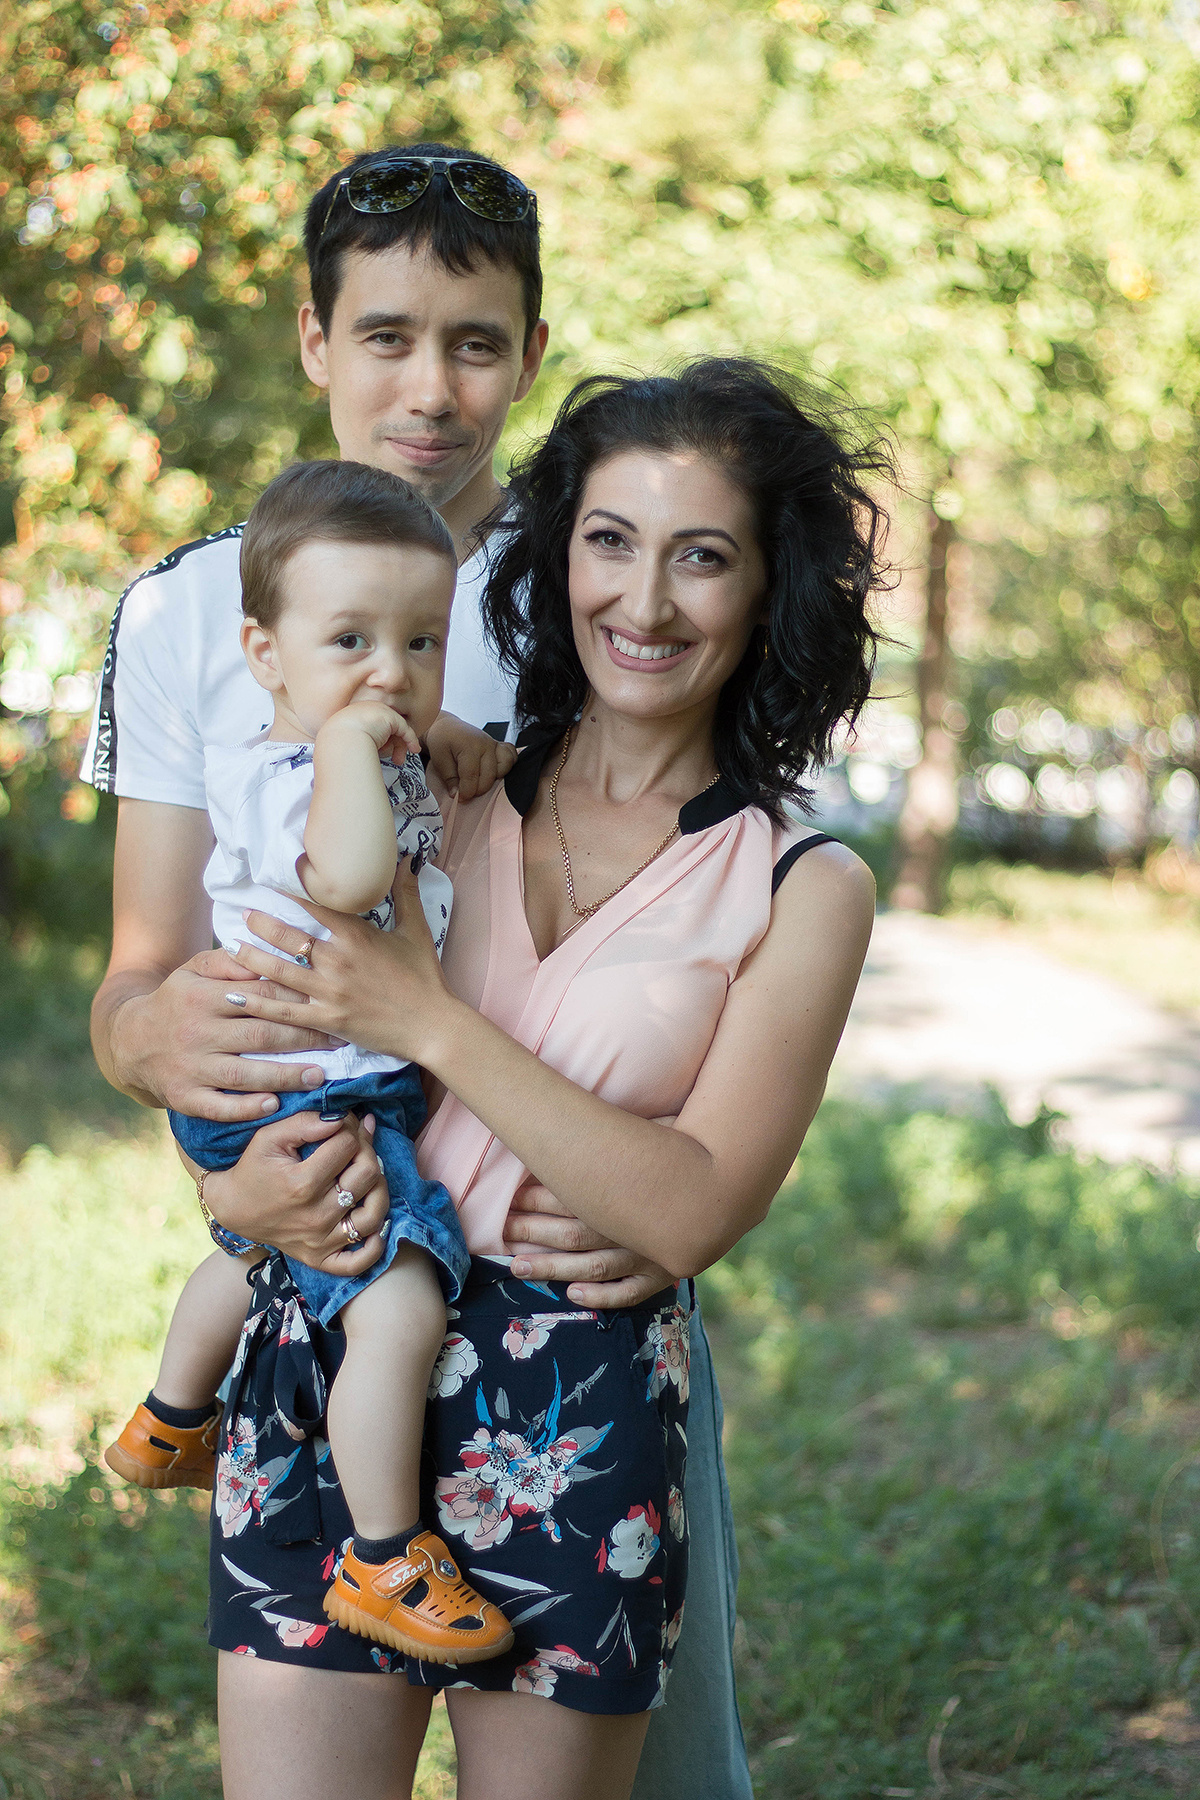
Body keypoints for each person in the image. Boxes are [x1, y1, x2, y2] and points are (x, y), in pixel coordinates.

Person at [83, 143, 759, 1800]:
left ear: (532, 352)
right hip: (328, 1262)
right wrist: (178, 1077)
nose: (430, 387)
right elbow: (135, 989)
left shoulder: (607, 591)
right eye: (384, 333)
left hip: (569, 1291)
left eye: (475, 341)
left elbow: (720, 924)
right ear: (312, 339)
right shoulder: (190, 614)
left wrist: (669, 1189)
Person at [181, 357, 885, 1799]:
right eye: (610, 542)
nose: (644, 601)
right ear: (559, 555)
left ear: (769, 591)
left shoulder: (800, 883)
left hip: (572, 1418)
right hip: (323, 1359)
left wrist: (434, 1024)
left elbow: (688, 1208)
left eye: (703, 557)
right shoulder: (434, 787)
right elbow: (252, 1009)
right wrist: (230, 1182)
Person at [103, 459, 514, 1662]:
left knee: (255, 1253)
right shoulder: (298, 775)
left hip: (305, 1080)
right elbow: (343, 880)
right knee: (398, 1298)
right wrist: (360, 748)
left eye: (422, 643)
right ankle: (384, 1556)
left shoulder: (346, 748)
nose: (391, 674)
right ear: (264, 654)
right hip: (307, 1084)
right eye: (351, 642)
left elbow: (400, 777)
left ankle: (171, 1418)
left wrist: (442, 744)